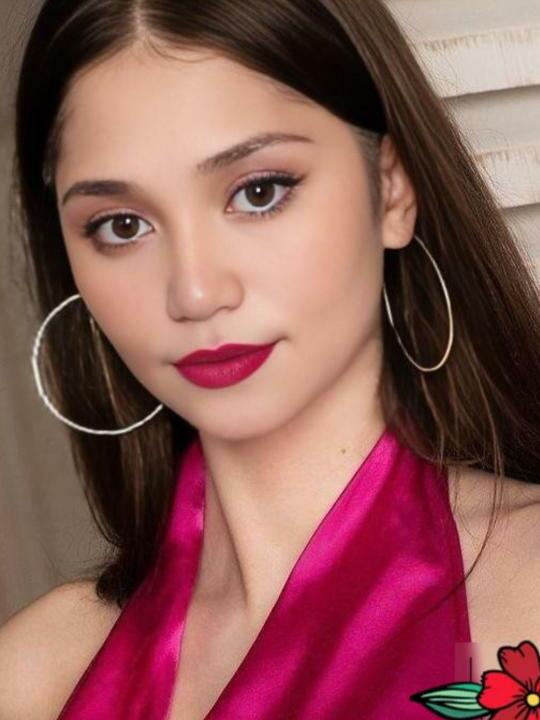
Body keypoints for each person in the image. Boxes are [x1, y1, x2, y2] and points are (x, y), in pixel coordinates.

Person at [1, 0, 540, 718]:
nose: (195, 292)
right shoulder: (38, 675)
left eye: (259, 192)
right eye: (122, 226)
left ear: (391, 189)